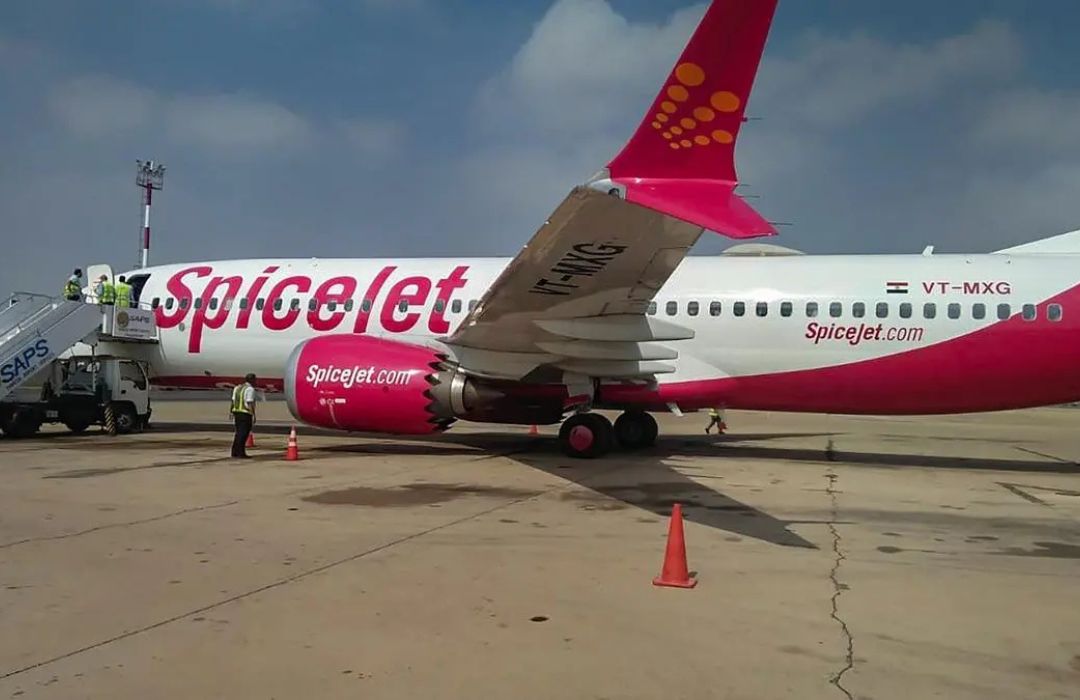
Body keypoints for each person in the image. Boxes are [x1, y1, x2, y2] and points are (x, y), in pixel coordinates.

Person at [230, 373, 258, 458]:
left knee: (238, 433)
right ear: (252, 380)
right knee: (243, 434)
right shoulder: (250, 389)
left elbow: (233, 401)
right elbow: (249, 402)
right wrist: (253, 415)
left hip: (236, 412)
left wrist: (231, 412)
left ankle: (234, 452)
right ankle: (240, 453)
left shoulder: (237, 388)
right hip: (245, 413)